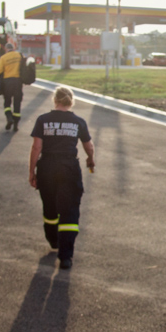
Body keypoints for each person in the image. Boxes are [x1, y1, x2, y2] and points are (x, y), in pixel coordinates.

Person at [28, 86, 95, 269]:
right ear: (71, 101)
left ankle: (53, 240)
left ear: (55, 100)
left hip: (47, 168)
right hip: (69, 168)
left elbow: (36, 148)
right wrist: (90, 159)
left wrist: (32, 172)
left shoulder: (43, 120)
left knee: (49, 207)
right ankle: (65, 256)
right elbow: (88, 146)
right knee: (70, 209)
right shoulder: (78, 122)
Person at [0, 41, 24, 131]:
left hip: (7, 82)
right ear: (13, 48)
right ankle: (16, 125)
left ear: (6, 49)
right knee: (17, 102)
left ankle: (9, 118)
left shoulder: (3, 58)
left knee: (7, 102)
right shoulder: (19, 55)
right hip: (18, 81)